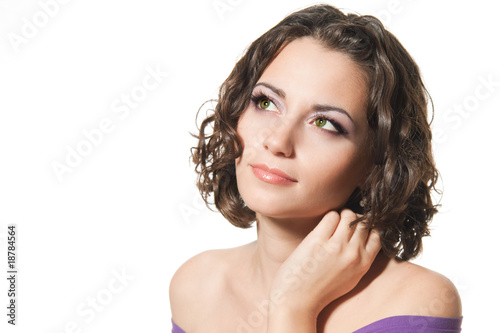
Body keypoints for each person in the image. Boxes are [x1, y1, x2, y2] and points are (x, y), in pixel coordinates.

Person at [169, 4, 462, 332]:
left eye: (325, 123)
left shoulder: (416, 303)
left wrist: (292, 307)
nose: (278, 141)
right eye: (266, 102)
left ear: (376, 163)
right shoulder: (199, 286)